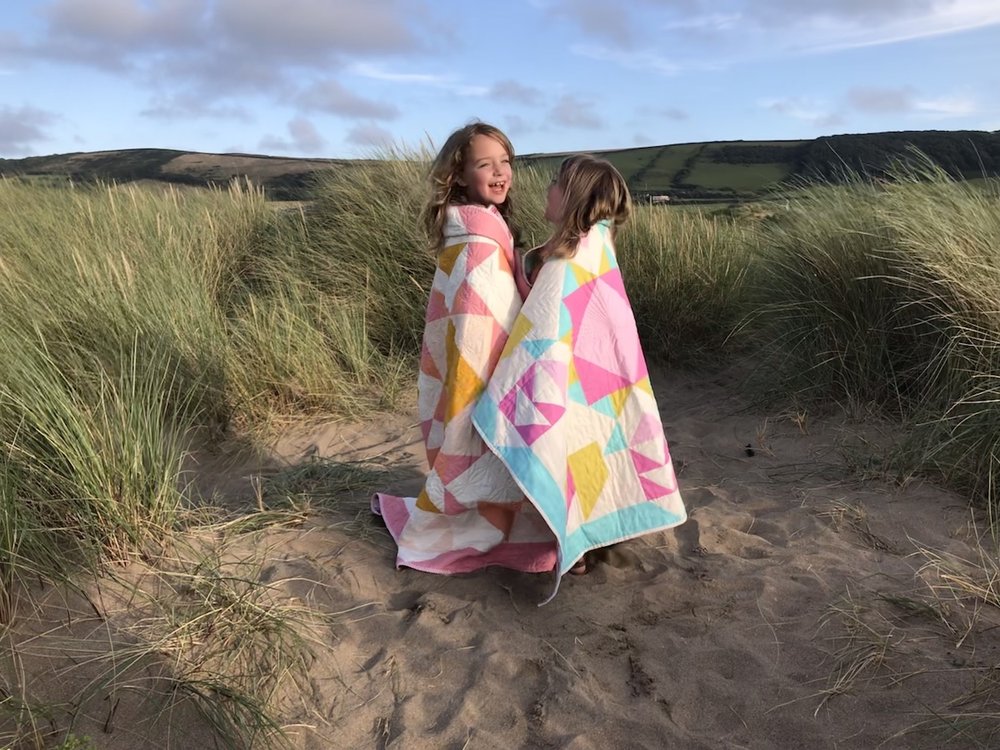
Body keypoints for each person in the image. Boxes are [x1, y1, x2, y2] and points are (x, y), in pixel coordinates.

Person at [473, 154, 687, 601]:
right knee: (586, 442)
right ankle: (591, 534)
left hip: (584, 379)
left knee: (573, 441)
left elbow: (544, 336)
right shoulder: (588, 249)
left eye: (556, 183)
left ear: (574, 198)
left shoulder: (571, 262)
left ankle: (577, 538)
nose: (547, 189)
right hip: (596, 381)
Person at [372, 123, 558, 575]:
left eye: (505, 162)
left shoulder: (481, 228)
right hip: (481, 374)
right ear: (458, 175)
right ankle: (479, 523)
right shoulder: (474, 240)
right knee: (483, 451)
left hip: (486, 366)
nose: (499, 172)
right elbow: (476, 329)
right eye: (484, 164)